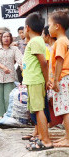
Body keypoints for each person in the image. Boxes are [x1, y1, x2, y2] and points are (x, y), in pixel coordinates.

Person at [23, 13, 53, 151]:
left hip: (36, 80)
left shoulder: (35, 41)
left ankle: (46, 140)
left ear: (27, 27)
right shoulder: (36, 41)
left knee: (38, 109)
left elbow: (43, 63)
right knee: (36, 109)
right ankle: (41, 137)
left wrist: (47, 80)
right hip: (33, 80)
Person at [48, 10, 69, 147]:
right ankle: (67, 136)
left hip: (62, 78)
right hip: (63, 78)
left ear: (57, 26)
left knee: (65, 110)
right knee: (64, 109)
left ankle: (68, 139)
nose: (48, 27)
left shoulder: (60, 42)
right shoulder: (63, 40)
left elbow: (59, 60)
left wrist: (55, 81)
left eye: (49, 24)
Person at [0, 32, 22, 117]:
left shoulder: (14, 49)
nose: (6, 38)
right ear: (1, 39)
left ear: (11, 38)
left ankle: (8, 117)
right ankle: (1, 117)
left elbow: (20, 60)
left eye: (8, 36)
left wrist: (23, 66)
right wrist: (4, 68)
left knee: (8, 98)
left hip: (10, 77)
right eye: (4, 37)